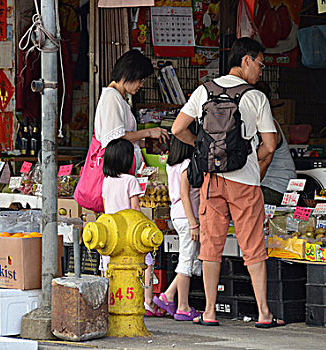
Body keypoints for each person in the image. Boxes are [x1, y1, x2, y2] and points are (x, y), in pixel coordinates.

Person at [171, 37, 285, 328]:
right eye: (260, 64)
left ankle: (209, 312)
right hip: (245, 181)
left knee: (211, 247)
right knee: (253, 246)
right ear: (245, 60)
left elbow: (177, 129)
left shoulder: (203, 91)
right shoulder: (255, 97)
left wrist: (201, 146)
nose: (261, 71)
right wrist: (251, 160)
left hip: (212, 181)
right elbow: (270, 145)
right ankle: (263, 314)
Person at [99, 138, 163, 317]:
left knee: (108, 266)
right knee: (146, 262)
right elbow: (135, 208)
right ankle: (148, 301)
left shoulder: (106, 181)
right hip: (129, 230)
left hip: (111, 230)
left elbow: (106, 207)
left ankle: (111, 300)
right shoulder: (131, 180)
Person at [94, 49, 169, 172]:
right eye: (141, 80)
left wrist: (147, 143)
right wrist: (149, 133)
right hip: (117, 173)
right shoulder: (112, 97)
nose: (141, 85)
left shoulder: (119, 97)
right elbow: (116, 139)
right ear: (129, 74)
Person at [153, 134, 202, 321]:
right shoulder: (187, 165)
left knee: (189, 259)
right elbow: (185, 194)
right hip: (186, 214)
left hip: (178, 213)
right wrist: (193, 223)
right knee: (186, 262)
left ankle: (168, 296)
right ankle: (183, 307)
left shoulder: (171, 165)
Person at [254, 81, 297, 205]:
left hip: (275, 187)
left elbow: (265, 161)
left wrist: (250, 188)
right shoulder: (253, 122)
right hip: (267, 185)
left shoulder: (269, 124)